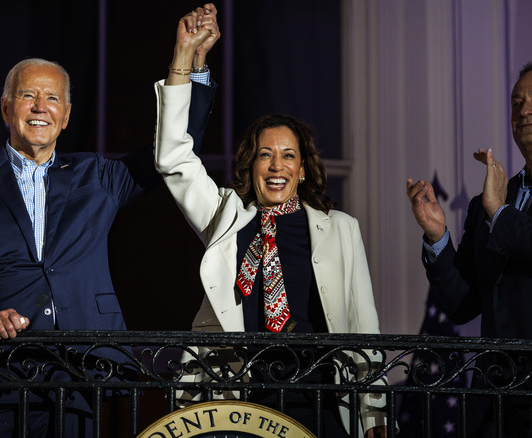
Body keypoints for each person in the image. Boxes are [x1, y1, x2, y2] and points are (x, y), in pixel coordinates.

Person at [0, 5, 220, 437]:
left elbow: (175, 147)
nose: (40, 107)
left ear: (66, 116)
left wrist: (187, 63)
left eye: (52, 98)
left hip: (81, 372)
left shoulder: (96, 176)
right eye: (28, 96)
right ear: (7, 108)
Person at [152, 12, 389, 438]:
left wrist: (374, 414)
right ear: (252, 164)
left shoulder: (340, 229)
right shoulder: (226, 215)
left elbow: (362, 326)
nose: (276, 165)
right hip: (237, 398)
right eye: (266, 154)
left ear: (302, 170)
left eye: (288, 156)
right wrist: (183, 57)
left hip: (318, 395)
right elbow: (173, 159)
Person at [406, 62, 532, 436]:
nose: (524, 111)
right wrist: (437, 237)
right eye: (516, 102)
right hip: (493, 404)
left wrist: (501, 214)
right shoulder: (487, 202)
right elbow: (463, 305)